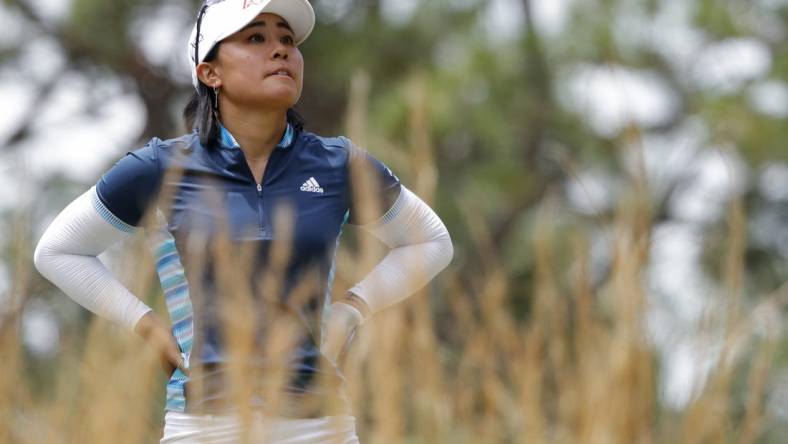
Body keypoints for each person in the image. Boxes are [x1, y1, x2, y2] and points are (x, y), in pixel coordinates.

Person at [33, 0, 453, 442]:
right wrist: (147, 325)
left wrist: (352, 311)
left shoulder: (337, 164)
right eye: (256, 38)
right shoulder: (161, 167)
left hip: (320, 425)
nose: (280, 50)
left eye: (287, 40)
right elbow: (58, 252)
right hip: (203, 426)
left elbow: (431, 242)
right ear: (209, 73)